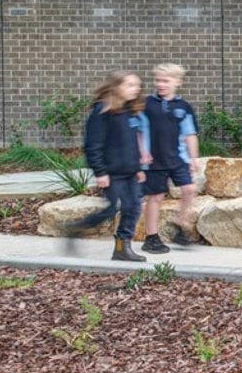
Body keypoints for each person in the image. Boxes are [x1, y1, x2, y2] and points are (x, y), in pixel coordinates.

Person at [65, 70, 150, 262]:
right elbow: (93, 145)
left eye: (137, 86)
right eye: (130, 85)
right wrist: (100, 172)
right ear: (117, 86)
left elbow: (130, 143)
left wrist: (138, 168)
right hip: (111, 174)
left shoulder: (130, 111)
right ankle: (76, 229)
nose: (136, 90)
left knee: (133, 208)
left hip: (130, 172)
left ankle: (122, 248)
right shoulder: (102, 111)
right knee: (113, 209)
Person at [139, 63, 202, 254]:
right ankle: (151, 237)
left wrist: (193, 158)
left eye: (165, 80)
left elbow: (190, 134)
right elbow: (138, 131)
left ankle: (179, 223)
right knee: (156, 197)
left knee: (189, 189)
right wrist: (142, 152)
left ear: (178, 82)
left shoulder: (183, 107)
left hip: (178, 158)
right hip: (154, 160)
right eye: (158, 80)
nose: (160, 84)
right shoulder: (146, 104)